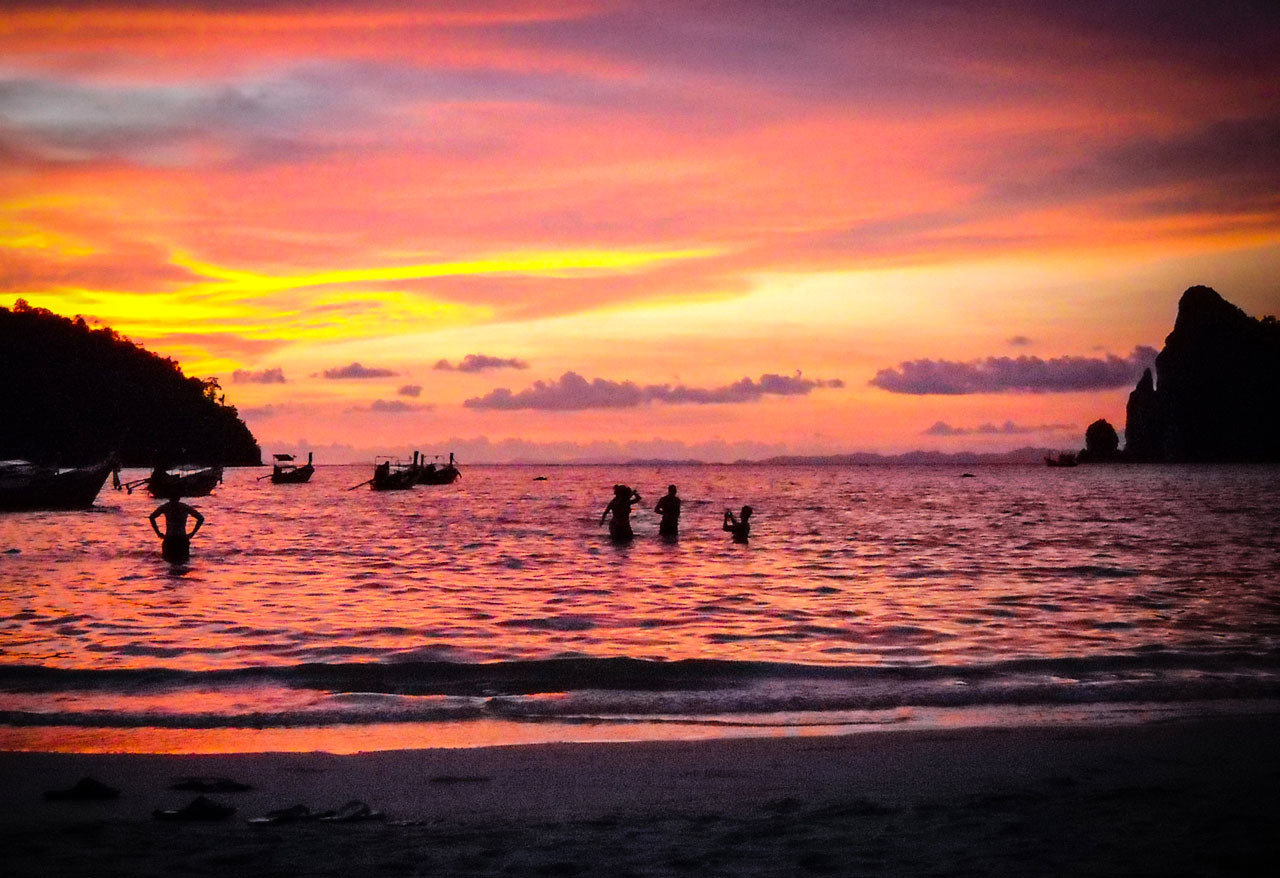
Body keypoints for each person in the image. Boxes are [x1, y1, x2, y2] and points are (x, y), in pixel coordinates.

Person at [149, 495, 204, 563]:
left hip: (170, 538)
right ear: (179, 498)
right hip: (181, 538)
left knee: (168, 562)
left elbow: (152, 517)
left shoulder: (166, 507)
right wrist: (192, 533)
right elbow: (200, 518)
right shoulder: (184, 507)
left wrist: (158, 533)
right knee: (183, 562)